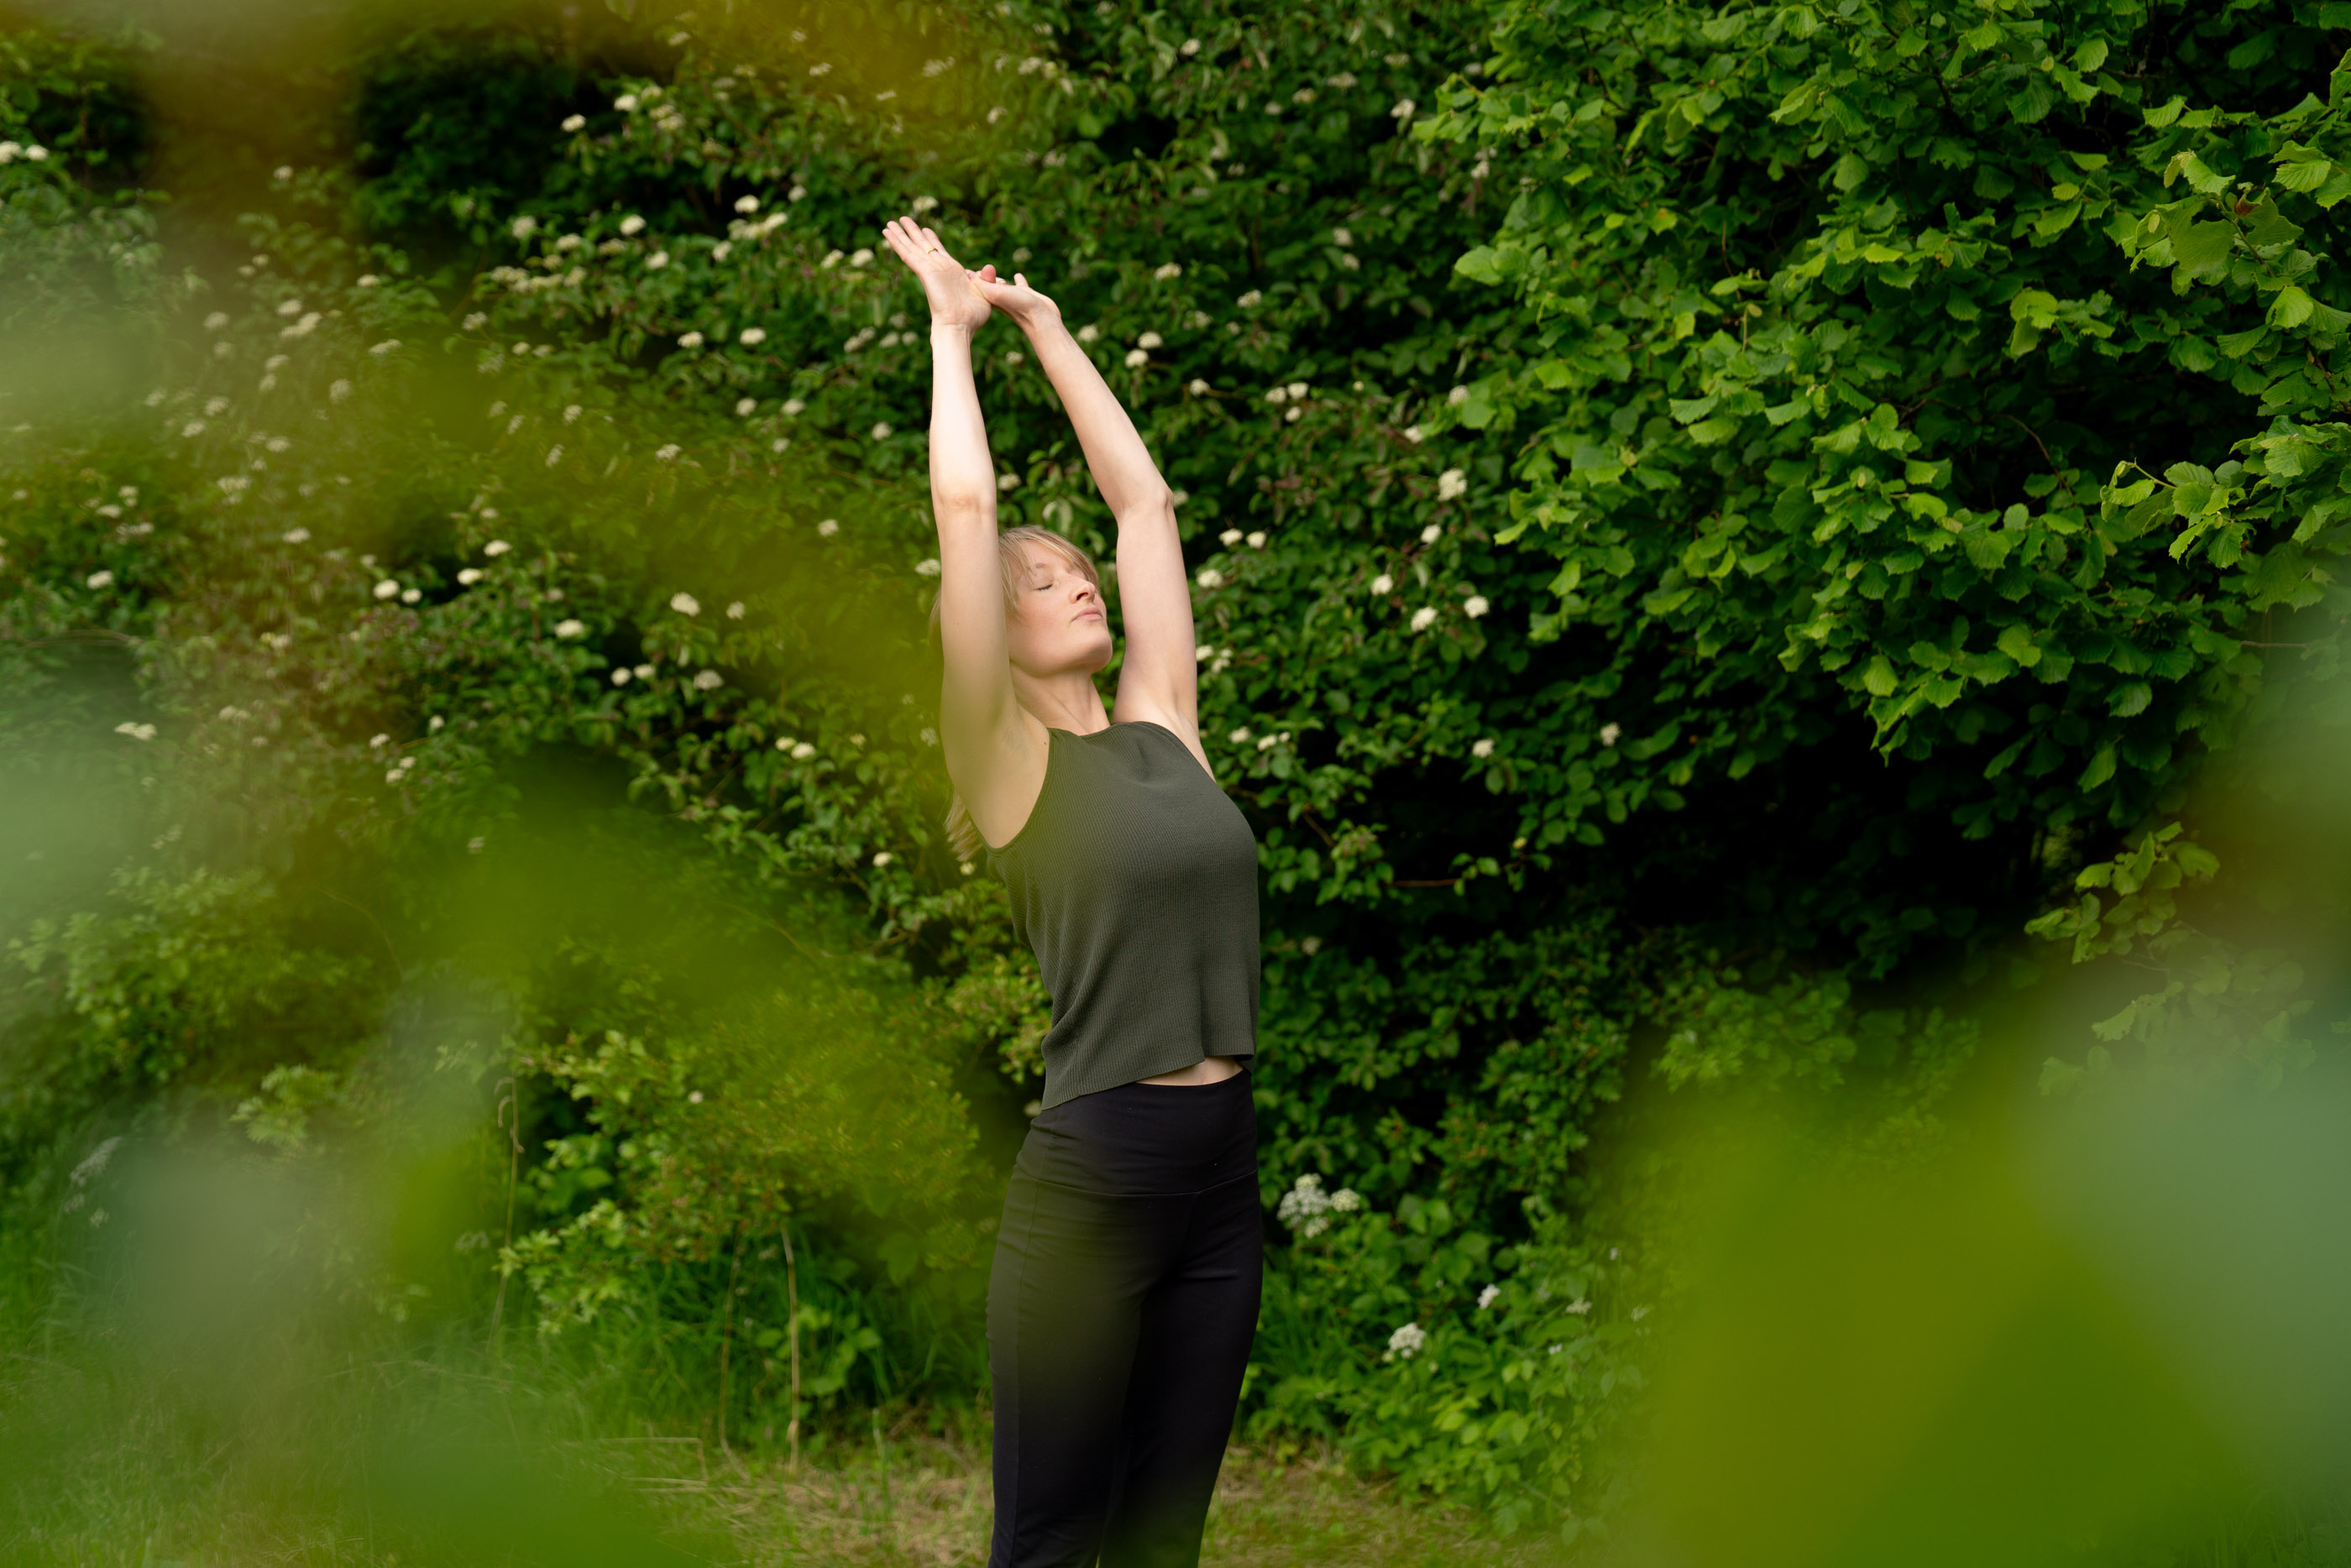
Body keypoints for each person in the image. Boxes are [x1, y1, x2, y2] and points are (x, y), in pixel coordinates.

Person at [879, 214, 1263, 1568]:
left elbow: (1145, 507)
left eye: (1074, 571)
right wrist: (951, 332)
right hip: (1099, 1177)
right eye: (1037, 585)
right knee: (1052, 1539)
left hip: (1223, 1176)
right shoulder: (1002, 762)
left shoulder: (1165, 721)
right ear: (990, 621)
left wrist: (1046, 330)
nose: (1076, 580)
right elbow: (965, 512)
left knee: (1161, 1537)